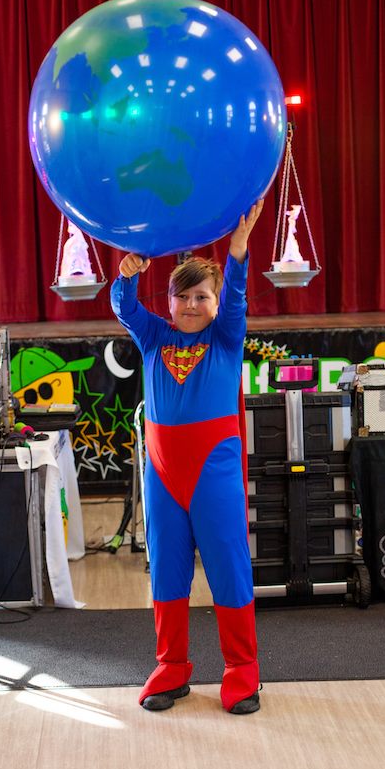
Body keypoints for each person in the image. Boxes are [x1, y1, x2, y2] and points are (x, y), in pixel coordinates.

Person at [110, 200, 264, 714]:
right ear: (170, 302)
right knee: (168, 571)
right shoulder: (154, 336)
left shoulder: (226, 338)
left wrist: (237, 255)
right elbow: (124, 307)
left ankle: (243, 669)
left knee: (227, 566)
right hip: (163, 474)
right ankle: (171, 665)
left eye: (203, 296)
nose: (193, 304)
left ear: (217, 304)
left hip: (213, 470)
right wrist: (127, 274)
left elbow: (238, 296)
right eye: (184, 296)